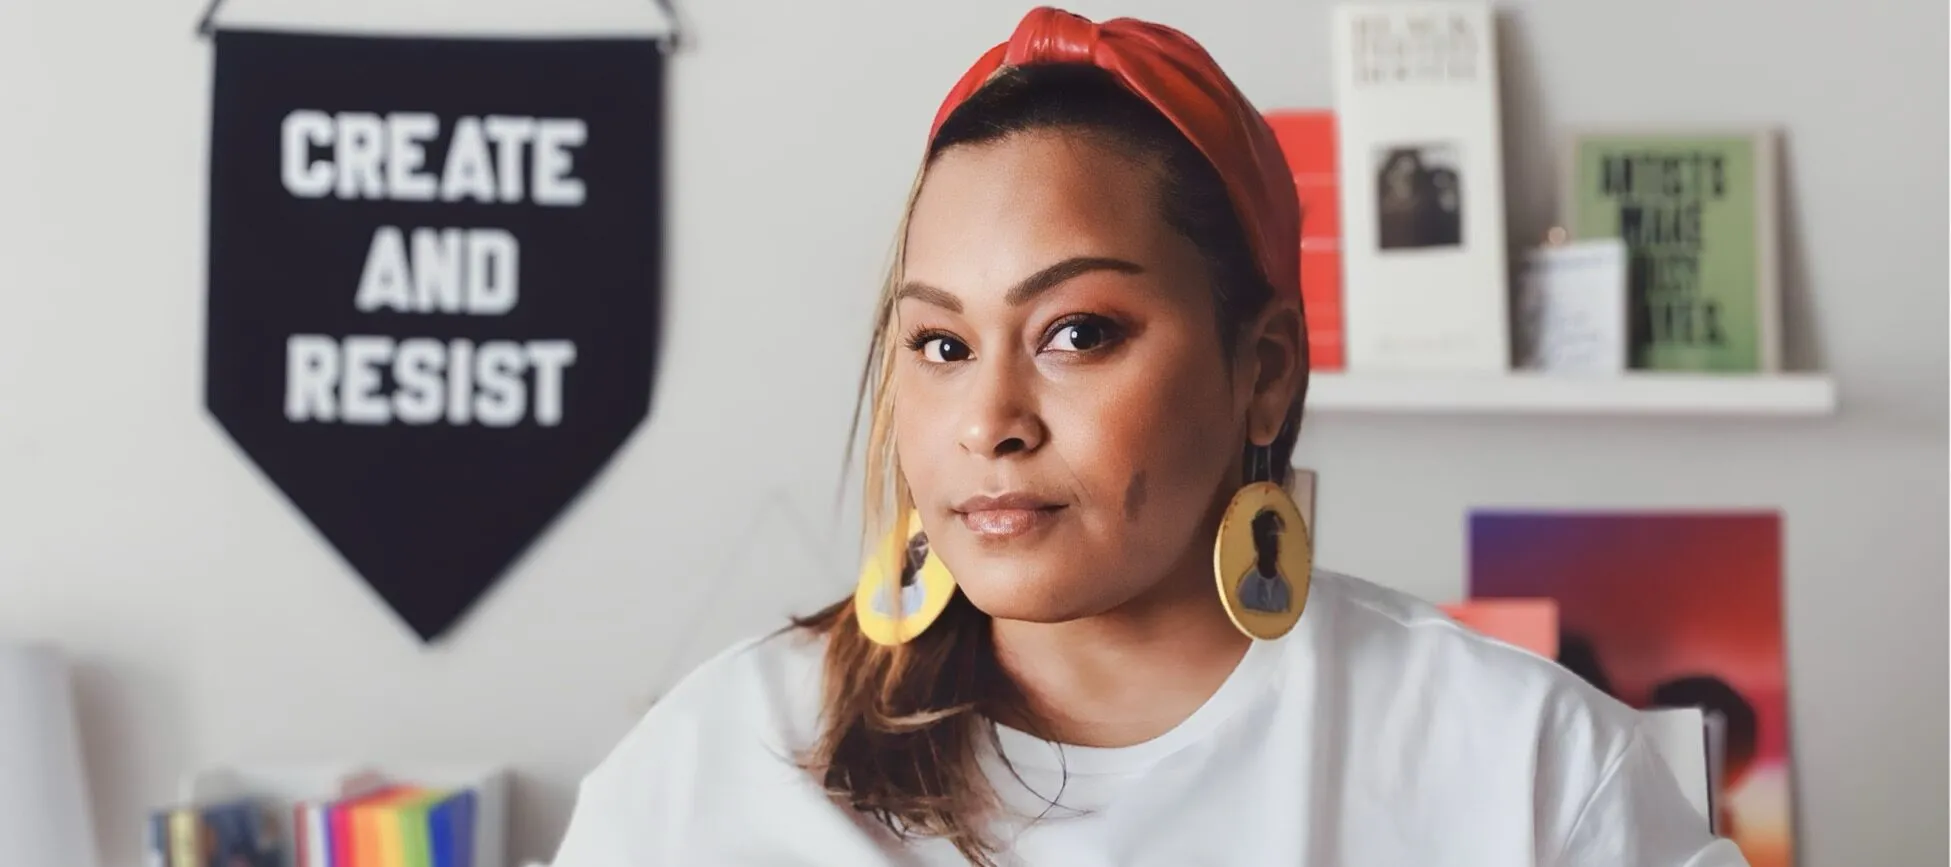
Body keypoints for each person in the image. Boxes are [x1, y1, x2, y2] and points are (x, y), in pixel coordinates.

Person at [549, 8, 1750, 866]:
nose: (988, 423)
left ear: (1263, 372)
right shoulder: (713, 765)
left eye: (1076, 332)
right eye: (940, 344)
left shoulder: (1526, 773)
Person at [1235, 510, 1292, 614]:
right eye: (1269, 539)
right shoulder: (1247, 590)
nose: (1275, 547)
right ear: (1258, 544)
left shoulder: (1284, 590)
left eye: (1276, 539)